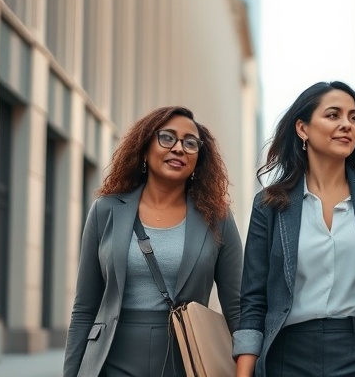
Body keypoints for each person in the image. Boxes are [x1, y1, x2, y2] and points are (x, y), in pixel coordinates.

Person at [233, 81, 355, 377]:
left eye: (354, 118)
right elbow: (254, 301)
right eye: (333, 115)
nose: (347, 124)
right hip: (287, 358)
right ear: (302, 129)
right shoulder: (269, 204)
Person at [63, 106, 243, 376]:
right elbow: (85, 307)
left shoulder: (217, 218)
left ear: (198, 159)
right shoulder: (106, 210)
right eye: (167, 138)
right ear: (145, 149)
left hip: (186, 360)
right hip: (111, 359)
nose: (179, 148)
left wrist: (248, 367)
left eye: (190, 143)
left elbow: (237, 306)